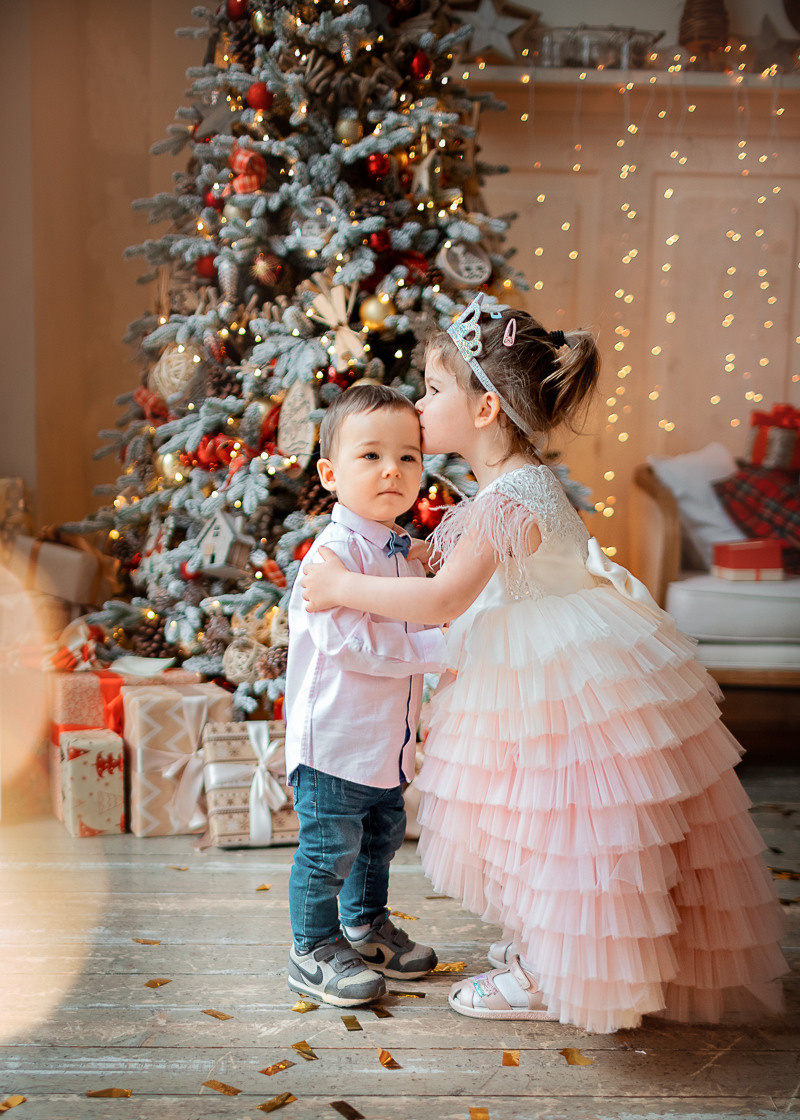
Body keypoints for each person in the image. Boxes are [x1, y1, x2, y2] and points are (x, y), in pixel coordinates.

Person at [301, 294, 788, 1033]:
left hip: (555, 676)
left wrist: (339, 586)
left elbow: (441, 601)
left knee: (560, 825)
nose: (421, 407)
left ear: (487, 410)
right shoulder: (507, 485)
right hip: (546, 660)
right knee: (537, 824)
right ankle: (544, 948)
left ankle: (548, 975)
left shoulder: (509, 498)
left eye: (434, 390)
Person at [284, 383, 447, 1008]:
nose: (393, 471)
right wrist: (442, 651)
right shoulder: (332, 556)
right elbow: (354, 646)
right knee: (329, 851)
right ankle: (313, 947)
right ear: (330, 473)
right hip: (336, 742)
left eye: (408, 457)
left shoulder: (405, 555)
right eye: (371, 456)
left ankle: (364, 925)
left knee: (379, 841)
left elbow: (418, 619)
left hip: (387, 745)